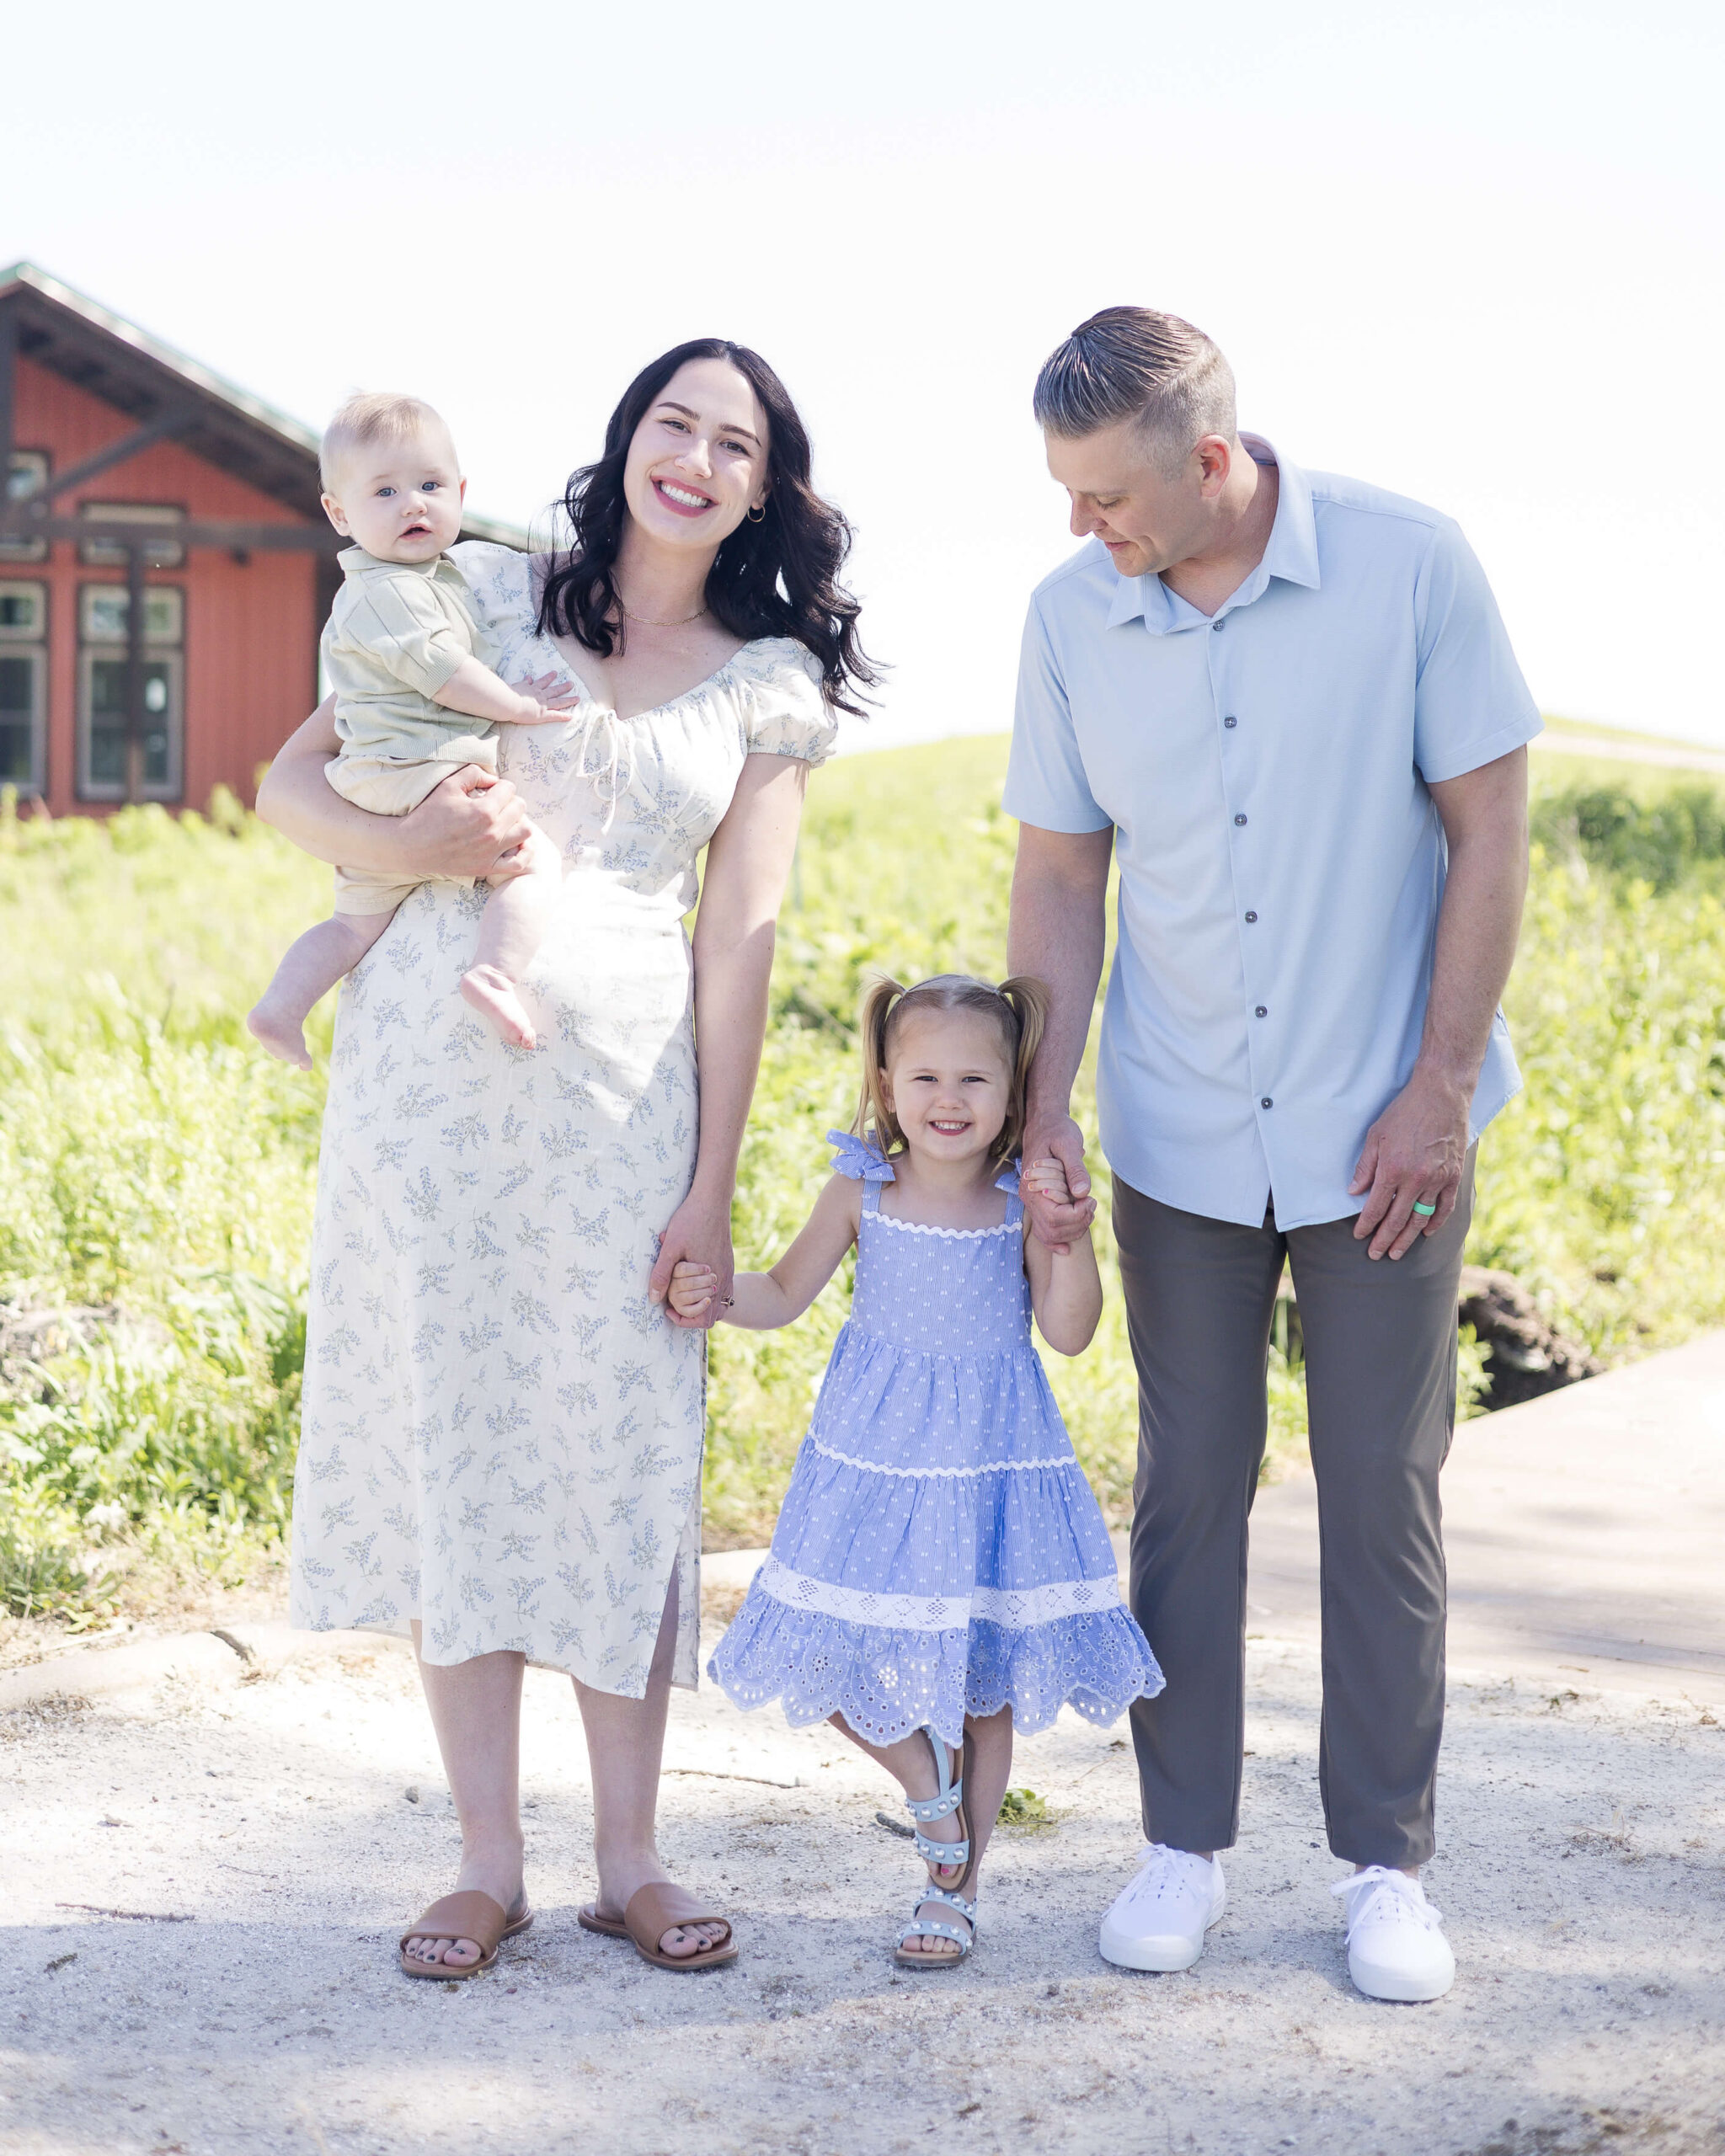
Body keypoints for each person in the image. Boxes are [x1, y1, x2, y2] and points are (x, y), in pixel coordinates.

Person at [259, 338, 875, 1979]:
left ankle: (630, 1857)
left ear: (761, 485)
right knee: (462, 1441)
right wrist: (417, 848)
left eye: (731, 441)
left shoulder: (766, 681)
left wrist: (712, 1180)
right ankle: (484, 1858)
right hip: (432, 1090)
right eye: (672, 420)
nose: (694, 455)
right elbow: (289, 779)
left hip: (626, 1106)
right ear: (627, 440)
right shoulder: (483, 591)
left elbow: (740, 935)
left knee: (618, 1453)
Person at [1005, 307, 1539, 2003]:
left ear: (1210, 456)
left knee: (1383, 1487)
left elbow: (1488, 828)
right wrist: (1041, 1102)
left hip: (1386, 1122)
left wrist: (1440, 1080)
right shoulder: (1069, 618)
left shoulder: (1407, 564)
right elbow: (1058, 882)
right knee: (1186, 1485)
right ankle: (1182, 1842)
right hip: (1177, 1128)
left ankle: (1387, 1863)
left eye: (1107, 494)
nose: (1083, 527)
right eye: (1065, 493)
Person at [672, 973, 1163, 1967]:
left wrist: (1067, 1242)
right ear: (886, 1085)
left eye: (976, 1078)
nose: (950, 1098)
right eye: (925, 1075)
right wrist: (713, 1292)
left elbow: (1068, 1334)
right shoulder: (862, 1190)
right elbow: (779, 1293)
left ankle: (955, 1895)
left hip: (986, 1463)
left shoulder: (1018, 1201)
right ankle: (928, 1793)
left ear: (1015, 1092)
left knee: (981, 1689)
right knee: (823, 1641)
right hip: (872, 1464)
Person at [248, 393, 571, 1067]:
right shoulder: (389, 590)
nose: (412, 505)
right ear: (339, 514)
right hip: (423, 771)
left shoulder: (424, 577)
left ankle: (280, 1010)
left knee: (351, 924)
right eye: (385, 492)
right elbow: (445, 673)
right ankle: (494, 971)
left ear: (460, 491)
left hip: (378, 779)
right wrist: (519, 705)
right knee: (536, 862)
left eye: (428, 486)